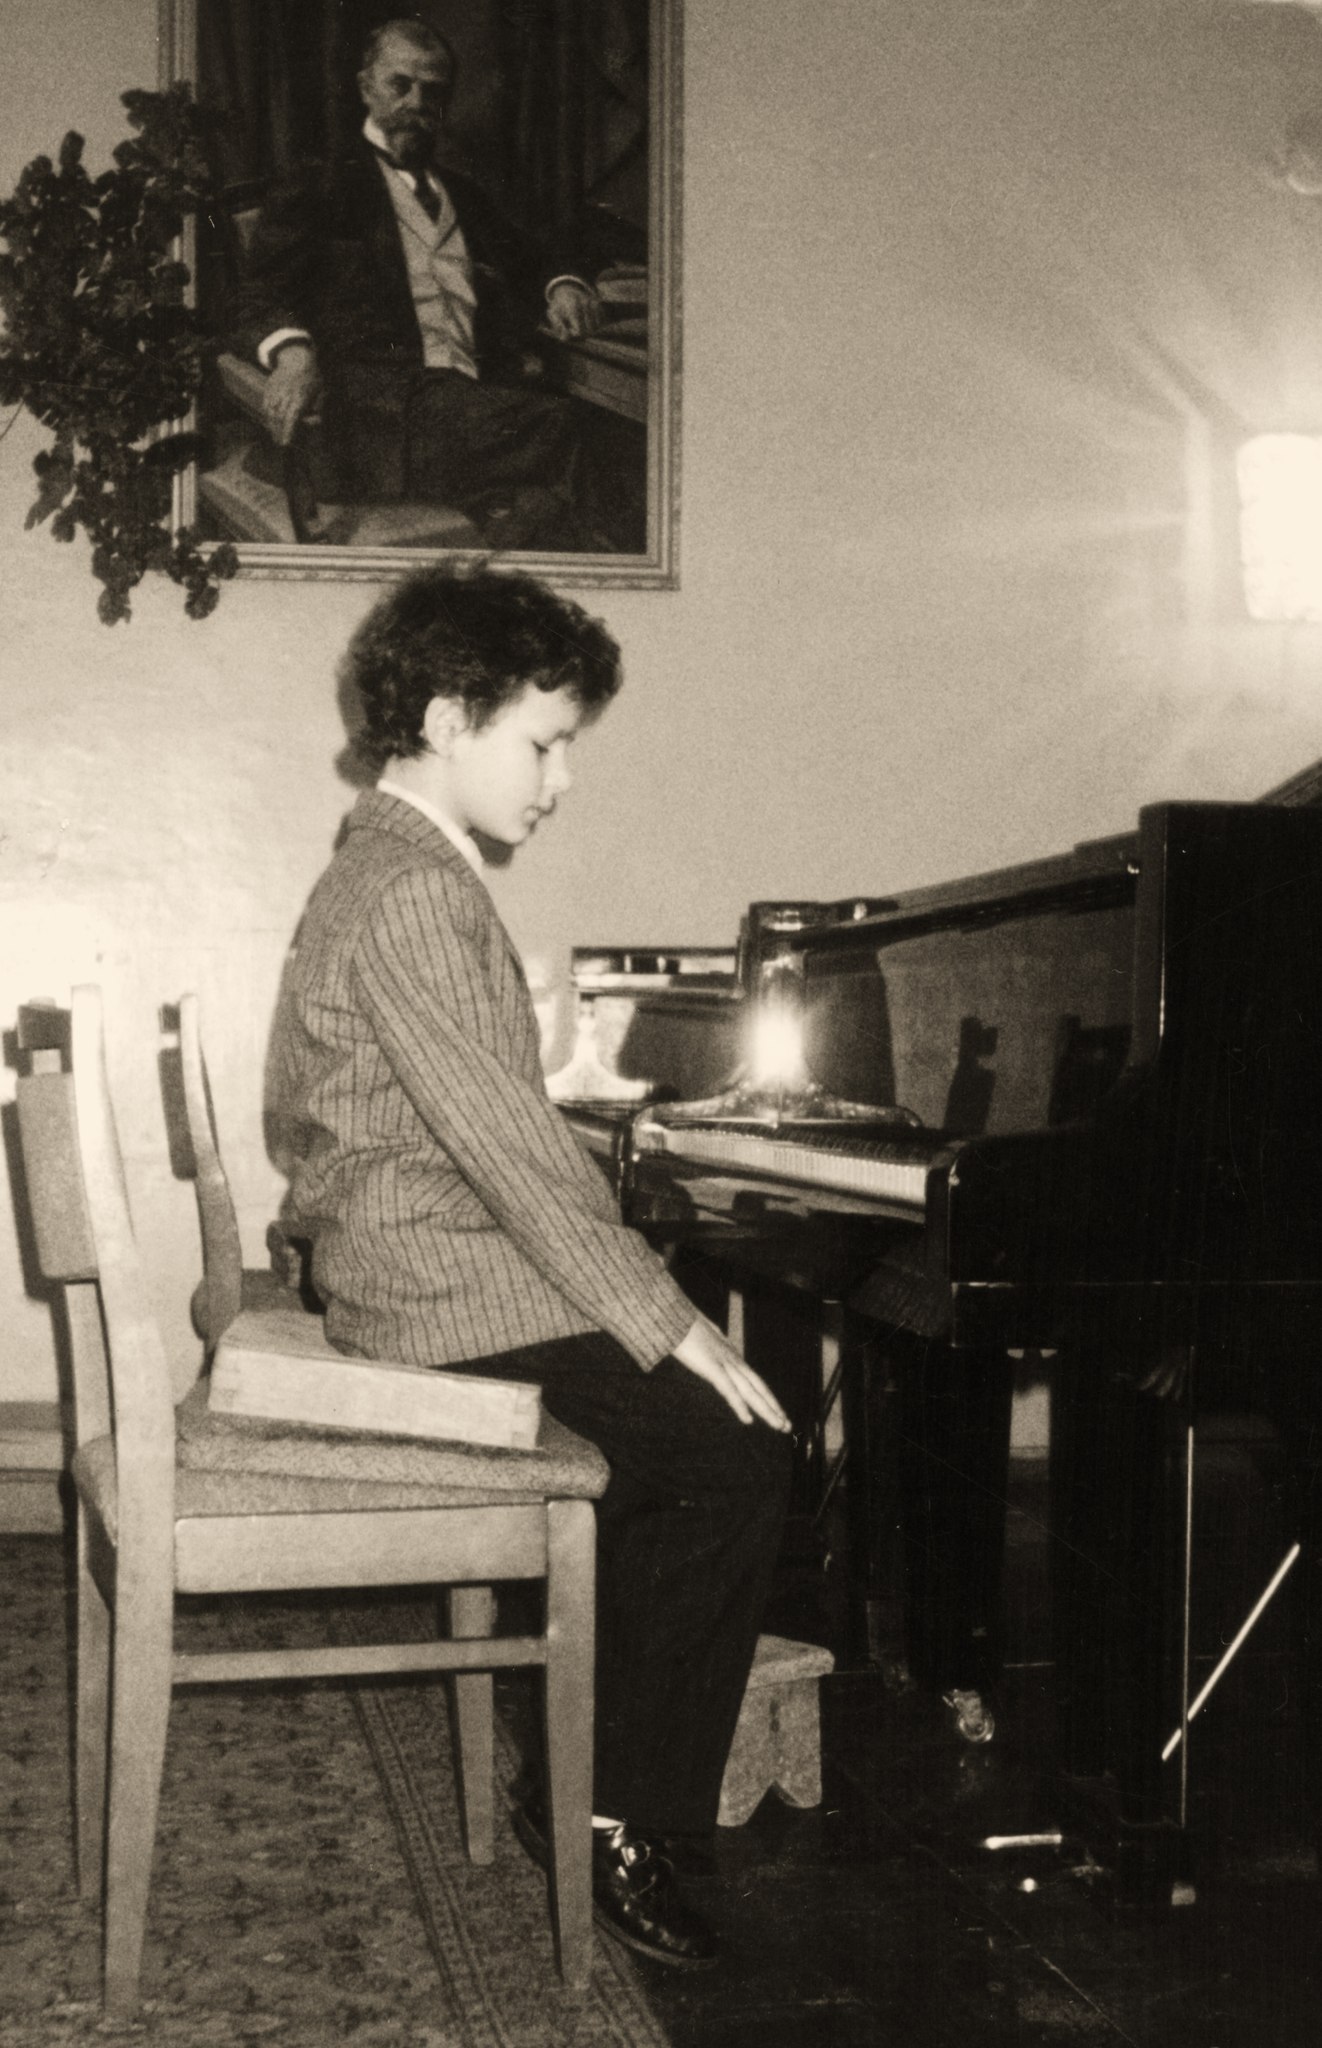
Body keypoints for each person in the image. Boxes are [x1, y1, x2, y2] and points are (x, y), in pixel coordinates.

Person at [272, 563, 794, 1969]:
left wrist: (640, 1296)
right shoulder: (413, 890)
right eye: (544, 742)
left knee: (680, 1435)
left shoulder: (391, 868)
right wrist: (666, 1319)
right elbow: (510, 1154)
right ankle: (620, 1815)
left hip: (424, 1261)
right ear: (450, 718)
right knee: (734, 1458)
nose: (562, 780)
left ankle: (580, 1766)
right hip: (434, 1288)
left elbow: (485, 1117)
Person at [232, 18, 605, 550]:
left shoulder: (463, 193)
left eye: (433, 91)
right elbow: (255, 296)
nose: (416, 103)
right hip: (373, 417)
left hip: (467, 399)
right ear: (366, 87)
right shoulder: (319, 181)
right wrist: (292, 353)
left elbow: (534, 256)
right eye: (400, 84)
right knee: (570, 428)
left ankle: (510, 529)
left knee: (570, 444)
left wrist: (562, 284)